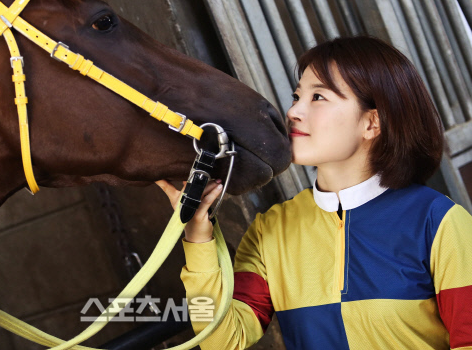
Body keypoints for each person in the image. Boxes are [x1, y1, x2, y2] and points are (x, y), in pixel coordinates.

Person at [156, 36, 472, 350]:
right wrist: (197, 236)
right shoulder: (271, 229)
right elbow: (220, 341)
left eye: (318, 97)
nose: (293, 112)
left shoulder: (439, 223)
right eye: (297, 96)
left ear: (372, 123)